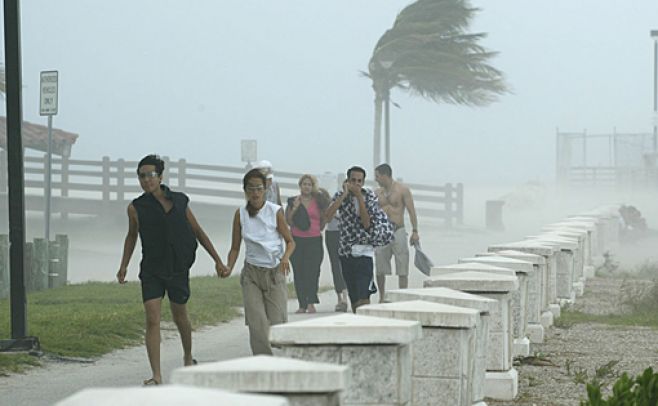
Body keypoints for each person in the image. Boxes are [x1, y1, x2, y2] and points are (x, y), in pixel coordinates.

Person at [117, 154, 228, 386]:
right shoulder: (135, 208)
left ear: (160, 176)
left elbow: (197, 230)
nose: (146, 180)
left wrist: (218, 260)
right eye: (141, 176)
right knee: (152, 319)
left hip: (177, 267)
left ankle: (188, 356)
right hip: (151, 269)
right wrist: (123, 265)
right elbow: (131, 236)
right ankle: (156, 375)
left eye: (151, 175)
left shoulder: (179, 201)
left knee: (180, 317)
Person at [226, 168, 295, 355]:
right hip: (252, 275)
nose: (255, 193)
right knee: (257, 323)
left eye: (258, 188)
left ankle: (285, 360)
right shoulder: (240, 215)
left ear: (265, 190)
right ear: (245, 191)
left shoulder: (275, 212)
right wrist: (228, 267)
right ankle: (263, 361)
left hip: (274, 272)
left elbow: (290, 242)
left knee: (278, 322)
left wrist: (285, 258)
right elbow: (235, 247)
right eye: (251, 189)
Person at [324, 166, 393, 312]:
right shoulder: (340, 195)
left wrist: (359, 197)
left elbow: (366, 223)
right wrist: (344, 195)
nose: (356, 184)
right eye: (353, 180)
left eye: (359, 181)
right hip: (346, 251)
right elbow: (327, 217)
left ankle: (365, 323)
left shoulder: (369, 196)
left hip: (364, 252)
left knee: (364, 296)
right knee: (354, 298)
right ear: (347, 180)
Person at [374, 163, 420, 303]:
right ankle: (382, 296)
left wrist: (415, 231)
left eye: (377, 176)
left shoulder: (402, 190)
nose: (376, 179)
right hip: (382, 231)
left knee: (402, 265)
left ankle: (402, 296)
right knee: (380, 266)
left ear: (385, 175)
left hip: (398, 229)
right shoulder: (377, 192)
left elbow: (412, 211)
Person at [285, 175, 330, 313]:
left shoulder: (318, 201)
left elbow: (323, 219)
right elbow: (288, 221)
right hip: (297, 240)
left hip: (314, 240)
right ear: (300, 186)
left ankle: (311, 301)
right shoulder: (293, 201)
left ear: (313, 186)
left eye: (309, 184)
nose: (306, 187)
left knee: (313, 271)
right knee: (299, 273)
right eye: (304, 184)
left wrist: (318, 229)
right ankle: (302, 304)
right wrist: (295, 208)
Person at [325, 207, 349, 312]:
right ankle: (340, 297)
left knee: (346, 264)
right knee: (335, 265)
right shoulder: (328, 194)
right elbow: (326, 217)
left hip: (346, 232)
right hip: (331, 232)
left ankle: (346, 296)